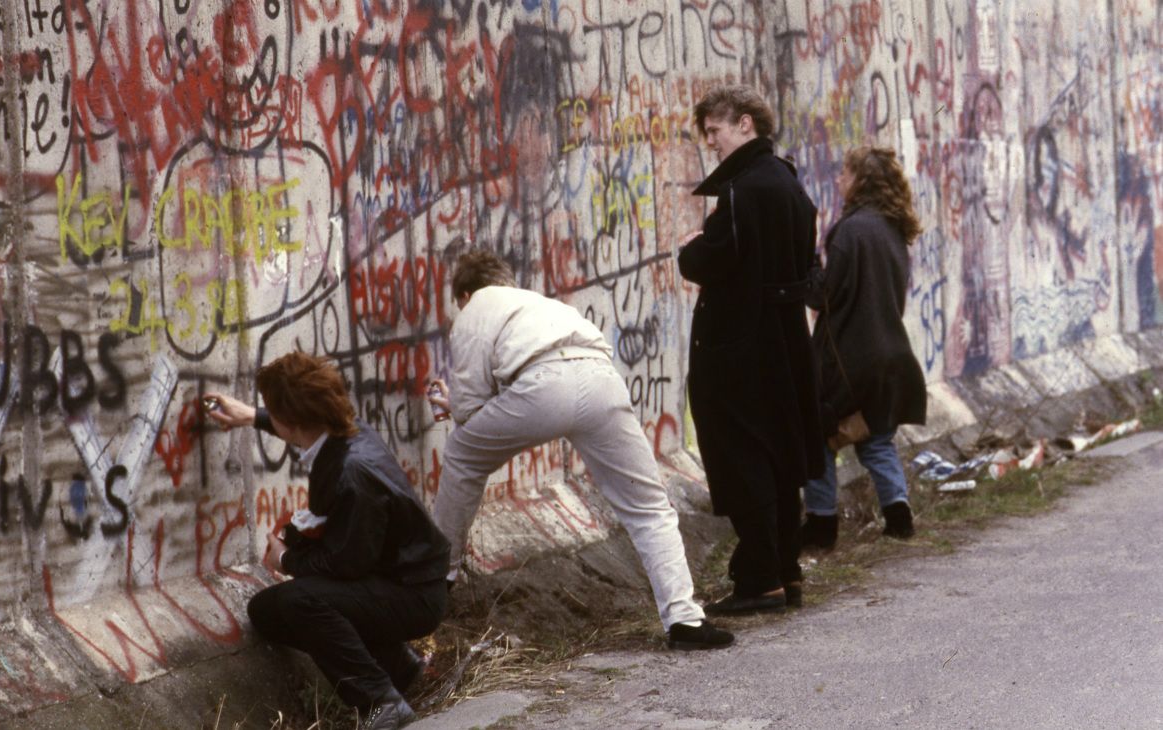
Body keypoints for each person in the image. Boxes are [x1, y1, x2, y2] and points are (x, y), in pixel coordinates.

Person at [427, 249, 734, 651]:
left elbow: (471, 410)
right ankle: (685, 619)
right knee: (648, 504)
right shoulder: (538, 302)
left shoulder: (473, 310)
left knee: (462, 456)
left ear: (464, 293)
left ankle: (438, 578)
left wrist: (455, 408)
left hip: (540, 388)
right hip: (599, 378)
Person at [204, 352, 450, 730]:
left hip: (413, 595)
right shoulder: (347, 433)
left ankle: (380, 701)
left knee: (302, 601)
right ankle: (398, 667)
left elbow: (347, 565)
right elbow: (300, 425)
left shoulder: (352, 475)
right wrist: (252, 416)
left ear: (292, 420)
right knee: (268, 611)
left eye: (274, 411)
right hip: (395, 580)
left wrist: (286, 559)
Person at [677, 84, 825, 615]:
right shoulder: (786, 179)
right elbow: (808, 262)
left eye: (715, 131)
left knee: (743, 456)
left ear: (745, 124)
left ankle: (761, 577)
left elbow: (711, 260)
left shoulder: (742, 189)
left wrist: (691, 252)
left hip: (739, 345)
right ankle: (784, 570)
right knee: (779, 454)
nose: (711, 142)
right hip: (783, 339)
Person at [799, 146, 927, 549]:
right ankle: (898, 516)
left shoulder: (850, 231)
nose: (838, 180)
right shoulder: (892, 229)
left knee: (818, 436)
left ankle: (821, 525)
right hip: (890, 356)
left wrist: (807, 265)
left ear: (861, 181)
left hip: (847, 357)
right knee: (877, 440)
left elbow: (822, 296)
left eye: (844, 174)